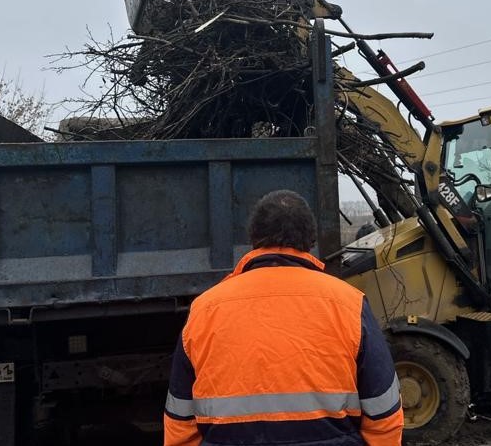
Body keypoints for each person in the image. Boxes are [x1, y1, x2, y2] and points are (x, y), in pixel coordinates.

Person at [163, 189, 404, 446]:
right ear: (310, 239)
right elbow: (384, 418)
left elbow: (180, 426)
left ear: (254, 238)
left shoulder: (205, 310)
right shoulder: (349, 304)